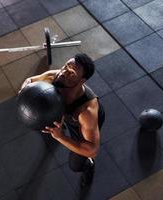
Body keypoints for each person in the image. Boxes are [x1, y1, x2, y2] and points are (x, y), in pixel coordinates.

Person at [19, 53, 105, 186]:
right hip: (63, 114)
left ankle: (89, 166)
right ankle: (60, 126)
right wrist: (24, 93)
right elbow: (30, 81)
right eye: (65, 66)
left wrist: (60, 137)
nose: (63, 73)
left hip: (78, 124)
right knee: (47, 123)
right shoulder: (55, 77)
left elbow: (92, 149)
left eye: (71, 74)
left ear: (82, 81)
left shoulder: (86, 112)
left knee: (75, 166)